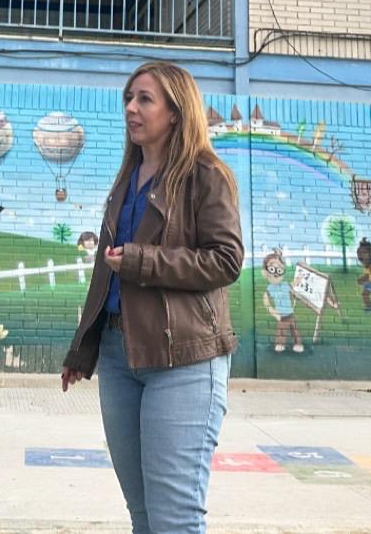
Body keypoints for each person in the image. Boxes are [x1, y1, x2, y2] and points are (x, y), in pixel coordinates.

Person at [61, 61, 243, 534]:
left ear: (177, 112)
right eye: (128, 98)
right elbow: (107, 267)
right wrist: (85, 347)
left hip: (184, 360)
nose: (131, 108)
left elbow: (226, 261)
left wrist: (144, 261)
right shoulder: (128, 177)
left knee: (174, 517)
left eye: (144, 99)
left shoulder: (208, 176)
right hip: (121, 359)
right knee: (142, 515)